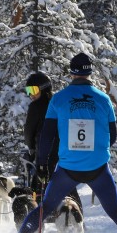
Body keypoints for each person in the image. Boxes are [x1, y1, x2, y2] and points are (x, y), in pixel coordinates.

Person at [7, 52, 117, 233]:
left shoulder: (58, 99)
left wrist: (42, 164)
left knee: (44, 208)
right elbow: (113, 135)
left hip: (68, 168)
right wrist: (96, 153)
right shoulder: (103, 99)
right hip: (98, 169)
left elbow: (47, 136)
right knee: (116, 212)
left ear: (71, 73)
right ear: (90, 72)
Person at [22, 71, 81, 209]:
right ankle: (78, 218)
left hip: (44, 153)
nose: (31, 95)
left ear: (43, 88)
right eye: (28, 91)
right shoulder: (60, 102)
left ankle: (37, 219)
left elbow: (29, 131)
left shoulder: (35, 107)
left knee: (38, 187)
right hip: (65, 152)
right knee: (68, 184)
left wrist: (31, 147)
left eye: (34, 90)